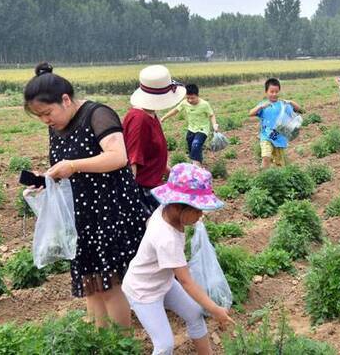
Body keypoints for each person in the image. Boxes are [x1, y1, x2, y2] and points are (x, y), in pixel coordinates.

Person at [23, 62, 148, 328]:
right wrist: (46, 179)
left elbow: (118, 156)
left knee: (109, 284)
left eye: (47, 112)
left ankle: (118, 343)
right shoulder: (56, 127)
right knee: (90, 283)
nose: (46, 120)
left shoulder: (98, 114)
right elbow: (66, 169)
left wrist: (74, 165)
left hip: (109, 212)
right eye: (40, 117)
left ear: (65, 99)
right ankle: (98, 339)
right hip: (81, 216)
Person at [122, 163, 235, 355]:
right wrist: (216, 310)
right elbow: (186, 282)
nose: (200, 216)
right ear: (178, 206)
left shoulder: (164, 211)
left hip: (163, 282)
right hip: (143, 292)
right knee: (165, 345)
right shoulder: (167, 238)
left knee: (195, 314)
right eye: (198, 210)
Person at [123, 65, 186, 214]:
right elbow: (133, 162)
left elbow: (150, 154)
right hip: (144, 193)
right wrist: (129, 201)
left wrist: (170, 173)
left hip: (155, 187)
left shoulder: (150, 114)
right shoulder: (139, 120)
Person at [248, 78, 302, 169]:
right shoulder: (263, 105)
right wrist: (260, 107)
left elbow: (299, 109)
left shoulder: (283, 105)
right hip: (266, 137)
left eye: (276, 92)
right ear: (266, 92)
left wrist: (291, 102)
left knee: (279, 164)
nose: (274, 94)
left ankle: (277, 179)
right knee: (266, 157)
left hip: (279, 139)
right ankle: (263, 177)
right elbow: (250, 113)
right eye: (271, 91)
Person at [161, 84, 218, 167]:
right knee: (192, 147)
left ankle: (196, 167)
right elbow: (175, 110)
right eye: (188, 98)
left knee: (196, 145)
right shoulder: (184, 103)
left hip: (202, 129)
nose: (190, 100)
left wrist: (214, 124)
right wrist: (163, 118)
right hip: (191, 129)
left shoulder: (205, 104)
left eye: (192, 98)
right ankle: (198, 161)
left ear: (197, 96)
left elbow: (211, 115)